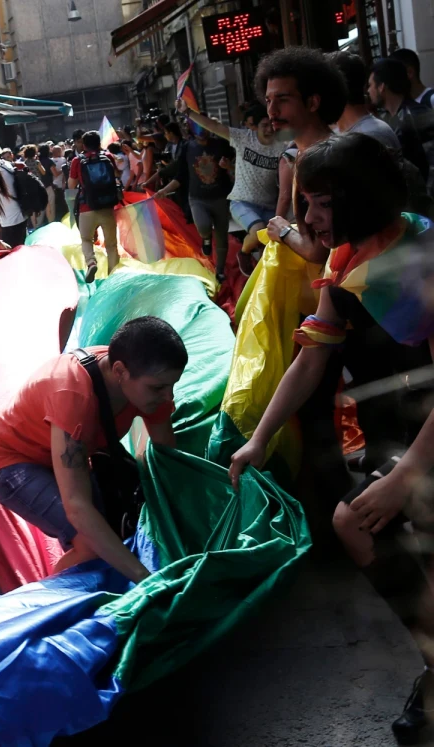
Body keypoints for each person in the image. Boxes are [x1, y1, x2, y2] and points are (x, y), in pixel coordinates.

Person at [228, 133, 434, 744]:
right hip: (399, 435)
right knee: (360, 524)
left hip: (420, 440)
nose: (308, 218)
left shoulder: (422, 257)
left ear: (360, 197)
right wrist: (260, 437)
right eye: (307, 202)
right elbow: (312, 357)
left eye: (322, 203)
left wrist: (405, 478)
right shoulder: (344, 260)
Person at [0, 316, 186, 582]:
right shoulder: (72, 395)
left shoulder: (145, 382)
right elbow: (77, 507)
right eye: (158, 388)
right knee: (91, 548)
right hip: (11, 462)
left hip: (64, 454)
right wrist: (146, 579)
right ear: (120, 372)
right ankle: (45, 599)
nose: (168, 397)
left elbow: (168, 457)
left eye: (172, 385)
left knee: (109, 534)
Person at [254, 46, 347, 264]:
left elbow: (317, 251)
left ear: (312, 102)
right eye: (268, 101)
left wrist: (283, 230)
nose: (272, 111)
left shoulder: (324, 158)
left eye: (283, 99)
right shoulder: (306, 154)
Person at [173, 99, 283, 276]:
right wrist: (188, 112)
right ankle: (243, 253)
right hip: (242, 202)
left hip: (269, 204)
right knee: (259, 230)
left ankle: (263, 278)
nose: (269, 129)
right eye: (264, 125)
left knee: (271, 245)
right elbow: (215, 126)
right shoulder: (243, 138)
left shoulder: (282, 145)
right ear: (255, 127)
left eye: (272, 125)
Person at [369, 57, 434, 193]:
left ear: (381, 87)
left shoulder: (417, 116)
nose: (368, 91)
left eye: (371, 85)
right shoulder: (387, 119)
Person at [69, 130, 123, 283]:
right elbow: (117, 175)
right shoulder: (107, 157)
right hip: (107, 206)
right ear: (99, 143)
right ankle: (113, 277)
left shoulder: (77, 161)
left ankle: (91, 262)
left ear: (84, 145)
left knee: (86, 239)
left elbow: (71, 185)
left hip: (86, 207)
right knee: (111, 245)